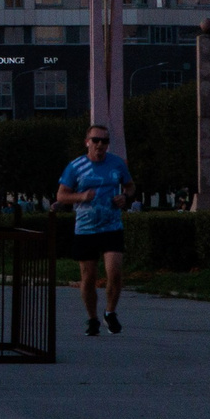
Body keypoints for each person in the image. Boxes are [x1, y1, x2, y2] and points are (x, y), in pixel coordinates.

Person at [56, 123, 133, 337]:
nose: (100, 144)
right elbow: (61, 195)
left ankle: (110, 312)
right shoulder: (75, 166)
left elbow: (130, 186)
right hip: (86, 229)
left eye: (104, 141)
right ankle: (92, 318)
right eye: (96, 140)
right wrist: (81, 196)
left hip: (112, 226)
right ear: (87, 142)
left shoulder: (117, 163)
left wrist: (125, 197)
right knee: (88, 277)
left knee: (114, 272)